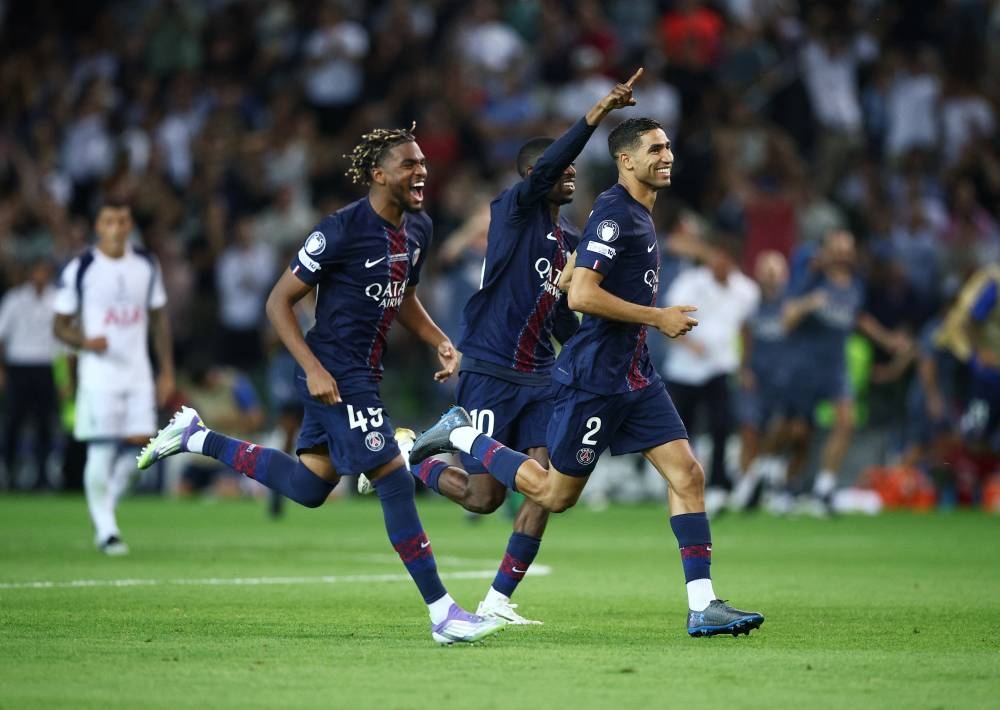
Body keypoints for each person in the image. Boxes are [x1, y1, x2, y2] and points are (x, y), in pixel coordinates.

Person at [138, 125, 504, 645]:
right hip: (334, 370)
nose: (421, 170)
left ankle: (197, 437)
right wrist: (312, 366)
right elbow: (277, 301)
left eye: (423, 162)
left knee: (310, 487)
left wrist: (439, 340)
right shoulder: (339, 230)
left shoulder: (417, 229)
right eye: (408, 163)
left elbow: (400, 296)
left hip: (361, 374)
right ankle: (443, 613)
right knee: (394, 479)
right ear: (378, 175)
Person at [410, 117, 764, 637]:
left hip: (633, 375)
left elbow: (567, 290)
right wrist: (657, 316)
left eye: (669, 147)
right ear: (626, 159)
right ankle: (458, 434)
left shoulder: (623, 217)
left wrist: (570, 270)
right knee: (551, 495)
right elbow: (581, 295)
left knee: (688, 474)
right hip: (592, 380)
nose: (667, 156)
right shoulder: (605, 213)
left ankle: (702, 605)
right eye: (656, 148)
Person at [367, 70, 643, 626]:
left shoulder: (569, 243)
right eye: (559, 171)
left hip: (540, 375)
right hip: (491, 366)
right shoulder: (511, 213)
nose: (569, 177)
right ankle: (415, 451)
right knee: (482, 497)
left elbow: (566, 315)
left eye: (572, 172)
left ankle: (496, 601)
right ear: (533, 177)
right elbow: (547, 166)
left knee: (545, 487)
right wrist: (594, 115)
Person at [52, 199, 175, 554]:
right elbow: (59, 326)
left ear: (130, 223)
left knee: (145, 452)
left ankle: (103, 510)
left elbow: (158, 320)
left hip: (138, 374)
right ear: (97, 226)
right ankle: (107, 531)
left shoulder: (146, 265)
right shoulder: (82, 267)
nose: (117, 228)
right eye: (109, 221)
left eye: (123, 221)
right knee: (102, 450)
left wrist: (165, 368)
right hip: (99, 376)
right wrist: (85, 340)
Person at [779, 229, 907, 514]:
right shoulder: (812, 278)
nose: (842, 253)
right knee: (799, 433)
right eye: (837, 247)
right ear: (827, 250)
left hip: (836, 366)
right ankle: (783, 484)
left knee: (846, 421)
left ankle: (824, 488)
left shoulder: (856, 284)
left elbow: (859, 318)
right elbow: (787, 317)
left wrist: (888, 340)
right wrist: (807, 305)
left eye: (847, 248)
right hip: (806, 366)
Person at [662, 234, 760, 514]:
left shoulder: (746, 291)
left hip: (720, 367)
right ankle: (678, 482)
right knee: (681, 430)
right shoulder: (691, 282)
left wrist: (743, 366)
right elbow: (668, 317)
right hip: (684, 369)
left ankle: (718, 484)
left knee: (721, 425)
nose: (720, 264)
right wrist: (689, 343)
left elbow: (746, 328)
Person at [0, 257, 59, 490]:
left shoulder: (57, 299)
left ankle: (42, 475)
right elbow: (2, 337)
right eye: (36, 271)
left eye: (44, 271)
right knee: (14, 422)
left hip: (47, 367)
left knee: (45, 424)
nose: (40, 276)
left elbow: (66, 344)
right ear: (29, 274)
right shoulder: (15, 299)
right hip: (19, 366)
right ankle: (11, 474)